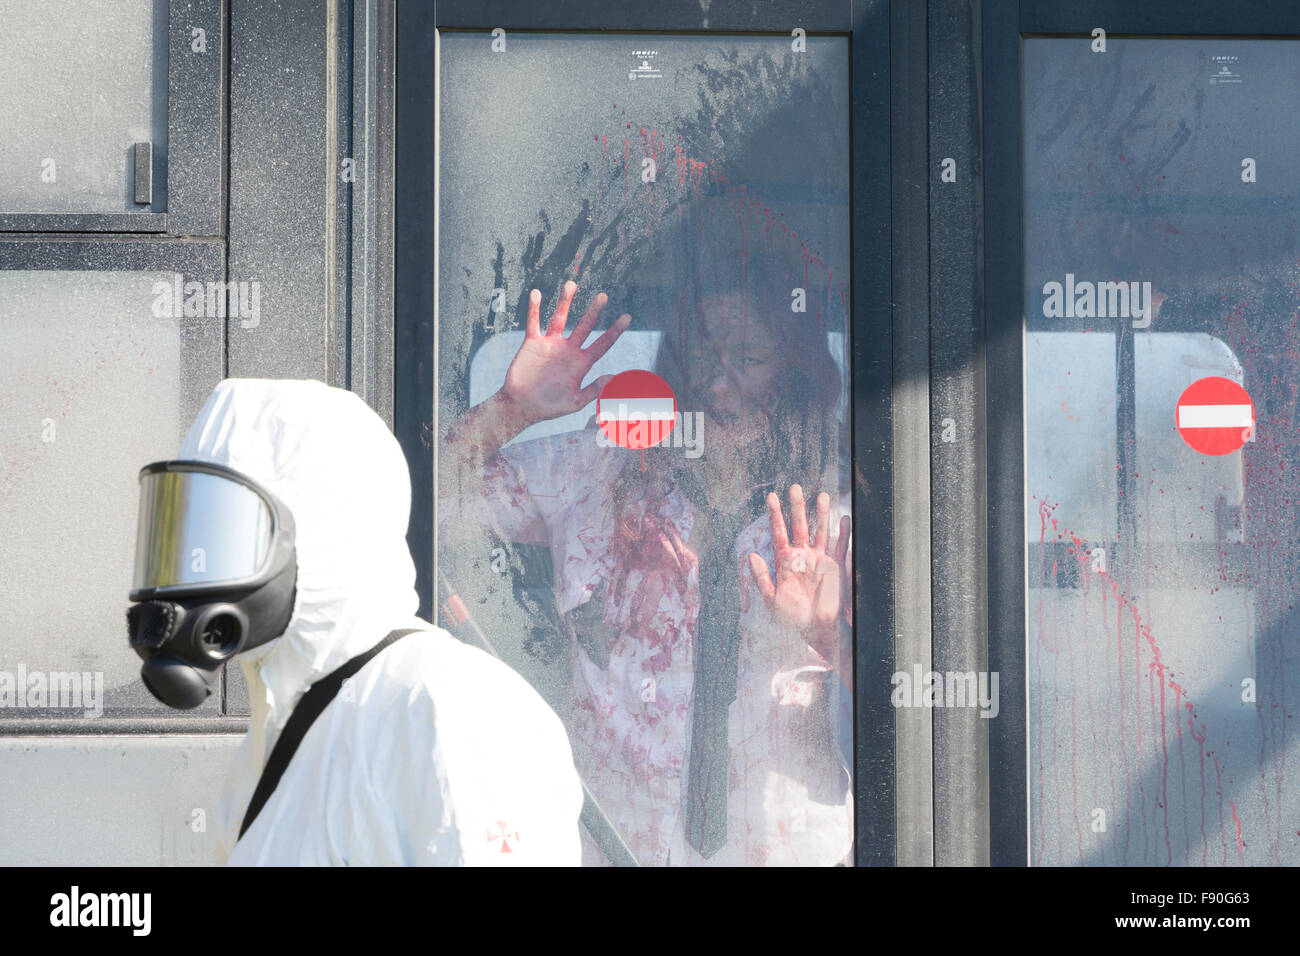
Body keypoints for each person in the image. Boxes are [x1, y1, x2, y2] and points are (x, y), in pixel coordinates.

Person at [443, 274, 854, 866]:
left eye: (749, 357)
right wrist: (508, 412)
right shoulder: (594, 473)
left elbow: (923, 721)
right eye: (699, 357)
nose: (717, 381)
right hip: (604, 849)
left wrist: (829, 640)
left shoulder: (836, 519)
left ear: (796, 376)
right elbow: (416, 505)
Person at [126, 378, 584, 865]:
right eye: (182, 530)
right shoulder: (282, 729)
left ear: (323, 526)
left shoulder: (450, 707)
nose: (194, 567)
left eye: (224, 530)